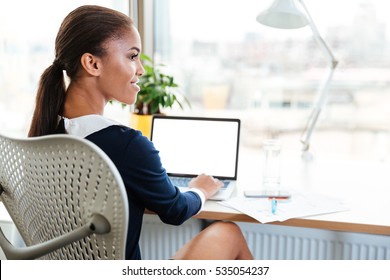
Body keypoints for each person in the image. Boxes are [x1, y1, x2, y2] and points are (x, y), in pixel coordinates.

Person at [28, 5, 253, 260]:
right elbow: (175, 210)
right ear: (92, 63)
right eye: (132, 56)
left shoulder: (41, 135)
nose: (141, 70)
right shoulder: (126, 145)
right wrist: (201, 189)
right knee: (227, 232)